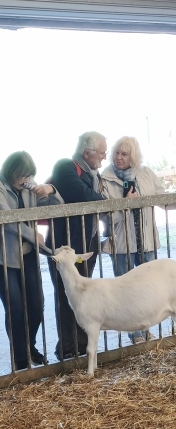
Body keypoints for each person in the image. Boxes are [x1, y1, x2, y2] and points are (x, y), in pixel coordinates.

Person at [0, 151, 63, 370]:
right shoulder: (1, 188)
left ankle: (30, 346)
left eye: (29, 176)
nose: (26, 180)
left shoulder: (30, 187)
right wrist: (33, 235)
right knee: (15, 307)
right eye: (23, 175)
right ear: (12, 171)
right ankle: (20, 357)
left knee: (36, 305)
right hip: (4, 258)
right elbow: (8, 221)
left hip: (28, 254)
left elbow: (59, 206)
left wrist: (50, 189)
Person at [47, 131, 107, 361]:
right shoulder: (65, 167)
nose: (104, 157)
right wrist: (105, 201)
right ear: (87, 152)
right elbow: (81, 195)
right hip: (66, 247)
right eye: (101, 153)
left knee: (83, 295)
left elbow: (91, 196)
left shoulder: (94, 174)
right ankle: (67, 347)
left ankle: (82, 345)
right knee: (66, 295)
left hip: (86, 243)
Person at [100, 136, 165, 343]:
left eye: (124, 154)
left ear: (133, 156)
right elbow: (106, 217)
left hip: (147, 241)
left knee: (150, 288)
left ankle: (146, 328)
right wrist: (126, 204)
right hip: (121, 244)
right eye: (116, 153)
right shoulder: (105, 178)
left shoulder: (146, 173)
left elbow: (163, 197)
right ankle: (134, 333)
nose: (119, 158)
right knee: (126, 292)